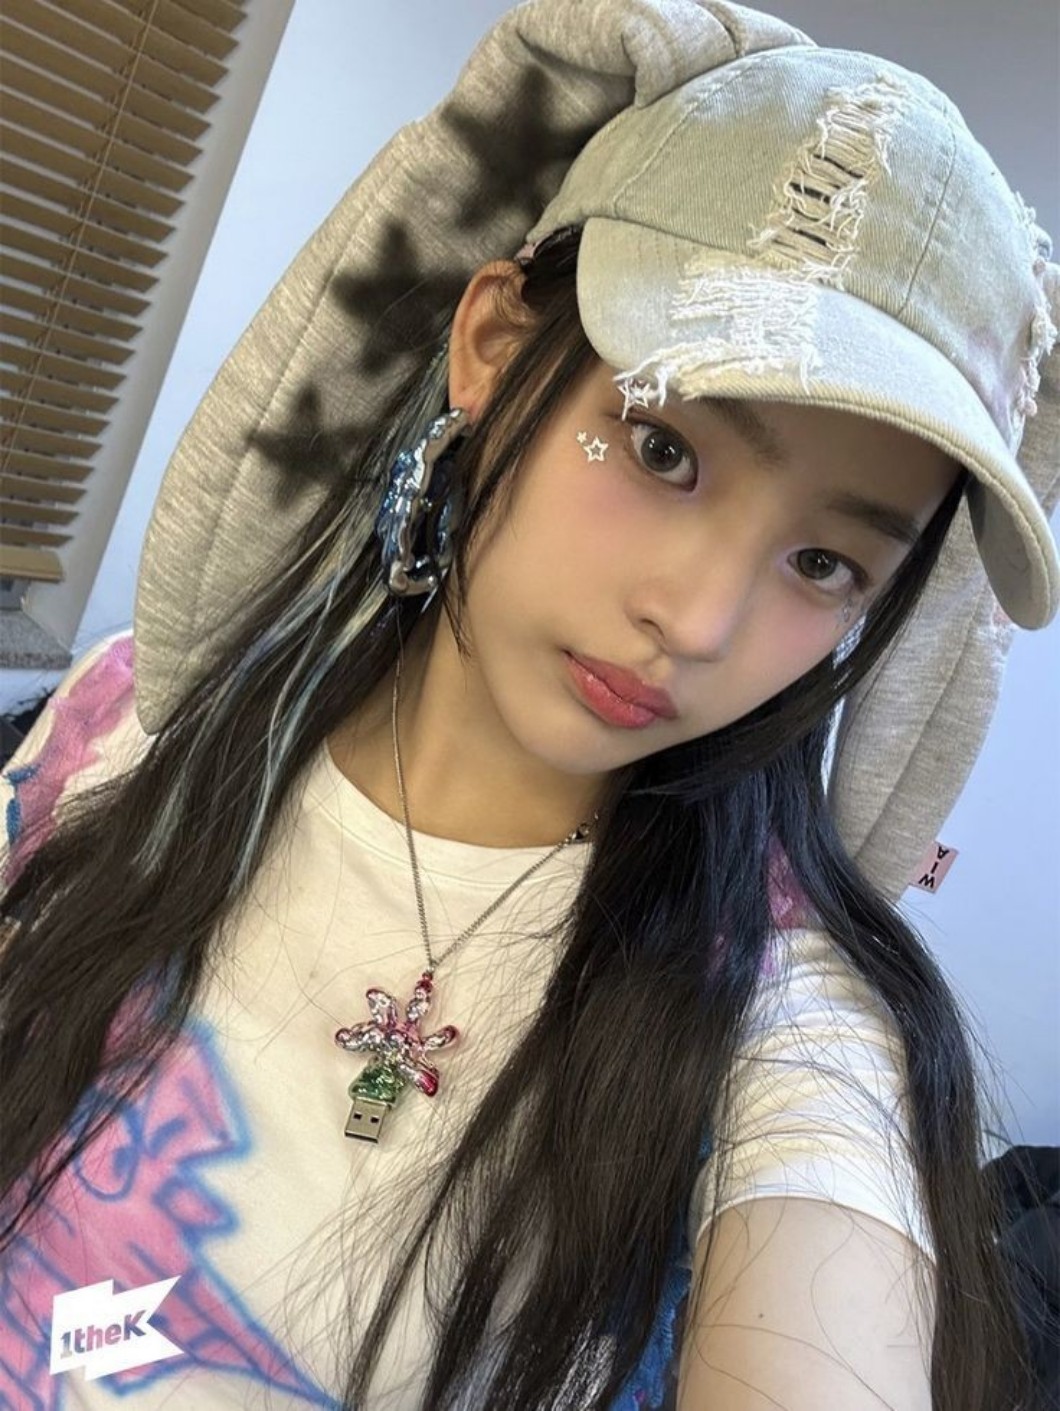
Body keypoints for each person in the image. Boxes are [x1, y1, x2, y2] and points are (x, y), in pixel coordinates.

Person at [1, 1, 1057, 1408]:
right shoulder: (126, 722)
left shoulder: (788, 1034)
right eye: (664, 448)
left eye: (824, 564)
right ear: (494, 347)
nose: (699, 622)